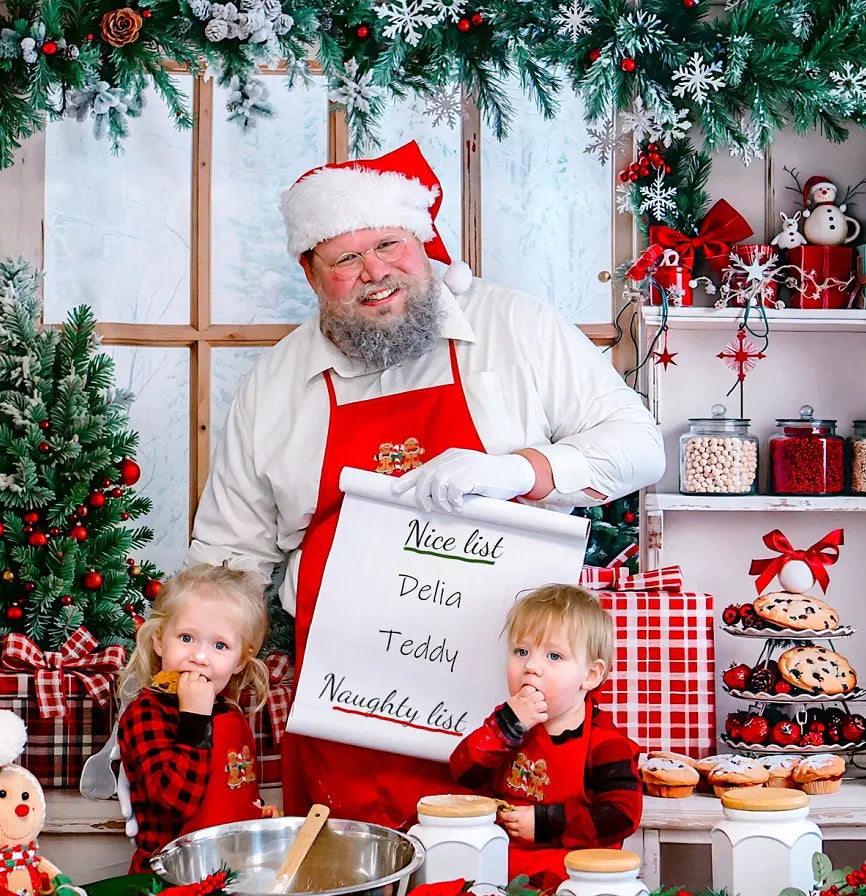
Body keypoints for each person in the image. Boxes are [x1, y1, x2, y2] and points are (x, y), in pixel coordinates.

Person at [187, 140, 665, 826]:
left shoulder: (516, 328)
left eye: (389, 243)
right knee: (347, 887)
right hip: (347, 725)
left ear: (421, 241)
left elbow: (641, 447)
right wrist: (178, 706)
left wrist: (522, 470)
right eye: (345, 258)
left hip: (520, 718)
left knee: (513, 887)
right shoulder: (277, 387)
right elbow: (226, 563)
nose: (375, 271)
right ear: (311, 273)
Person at [449, 584, 643, 890]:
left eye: (553, 656)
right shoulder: (507, 722)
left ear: (590, 675)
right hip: (500, 867)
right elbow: (463, 771)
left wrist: (545, 823)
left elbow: (622, 815)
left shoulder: (606, 743)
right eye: (521, 652)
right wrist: (505, 726)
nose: (531, 667)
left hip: (570, 878)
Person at [114, 564, 279, 872]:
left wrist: (255, 817)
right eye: (186, 638)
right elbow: (174, 803)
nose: (199, 657)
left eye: (220, 645)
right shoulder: (146, 714)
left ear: (240, 660)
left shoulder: (230, 713)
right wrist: (194, 720)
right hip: (171, 881)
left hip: (231, 874)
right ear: (159, 640)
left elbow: (232, 792)